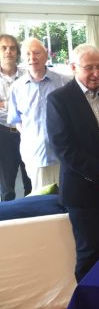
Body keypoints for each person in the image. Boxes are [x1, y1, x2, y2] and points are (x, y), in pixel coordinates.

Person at [47, 44, 99, 282]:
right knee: (89, 251)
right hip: (83, 191)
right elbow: (63, 147)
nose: (97, 73)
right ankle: (88, 305)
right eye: (89, 68)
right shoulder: (59, 100)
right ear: (74, 68)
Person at [7, 38, 70, 191]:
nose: (32, 58)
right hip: (35, 155)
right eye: (27, 54)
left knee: (67, 199)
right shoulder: (17, 87)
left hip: (64, 153)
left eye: (36, 53)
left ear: (46, 55)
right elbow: (17, 121)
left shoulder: (63, 82)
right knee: (41, 200)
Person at [0, 34, 31, 201]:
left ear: (17, 52)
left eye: (12, 48)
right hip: (3, 132)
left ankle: (35, 220)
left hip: (26, 132)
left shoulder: (28, 75)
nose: (8, 51)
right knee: (7, 184)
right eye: (3, 48)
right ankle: (6, 224)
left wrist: (4, 104)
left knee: (31, 180)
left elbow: (31, 104)